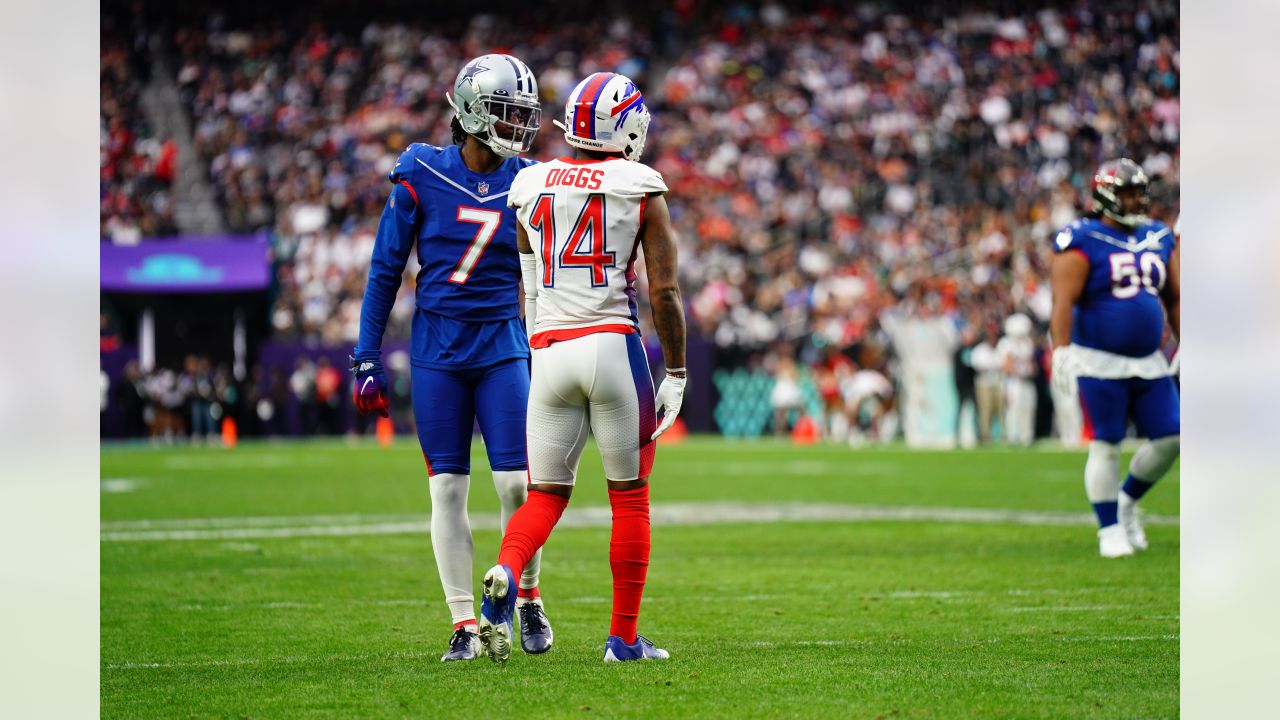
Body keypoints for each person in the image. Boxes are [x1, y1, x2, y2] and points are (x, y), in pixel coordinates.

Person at [477, 72, 686, 663]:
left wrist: (540, 345)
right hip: (612, 348)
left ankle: (506, 568)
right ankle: (622, 640)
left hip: (550, 352)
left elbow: (529, 285)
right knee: (630, 498)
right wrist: (677, 373)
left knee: (544, 494)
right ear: (627, 128)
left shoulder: (530, 182)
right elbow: (664, 293)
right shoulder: (640, 184)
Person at [350, 54, 552, 662]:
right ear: (470, 112)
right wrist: (366, 356)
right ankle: (464, 623)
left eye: (523, 114)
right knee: (448, 491)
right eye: (506, 113)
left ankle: (528, 594)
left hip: (501, 344)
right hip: (438, 350)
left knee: (518, 486)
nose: (518, 127)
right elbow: (386, 268)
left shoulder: (532, 178)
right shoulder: (420, 171)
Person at [1050, 158, 1180, 558]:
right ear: (1106, 196)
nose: (1136, 199)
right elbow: (1063, 300)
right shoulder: (1082, 238)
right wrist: (1062, 350)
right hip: (1098, 361)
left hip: (1148, 359)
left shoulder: (1157, 236)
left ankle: (1126, 501)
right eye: (1128, 192)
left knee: (1174, 435)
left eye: (1139, 191)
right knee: (1106, 443)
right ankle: (1108, 529)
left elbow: (1173, 295)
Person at [998, 313, 1037, 447]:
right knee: (1014, 409)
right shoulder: (1006, 343)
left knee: (1028, 408)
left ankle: (1027, 436)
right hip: (1013, 382)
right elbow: (1006, 366)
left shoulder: (1027, 343)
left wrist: (1029, 371)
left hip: (1026, 381)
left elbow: (1031, 363)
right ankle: (1013, 436)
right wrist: (1021, 372)